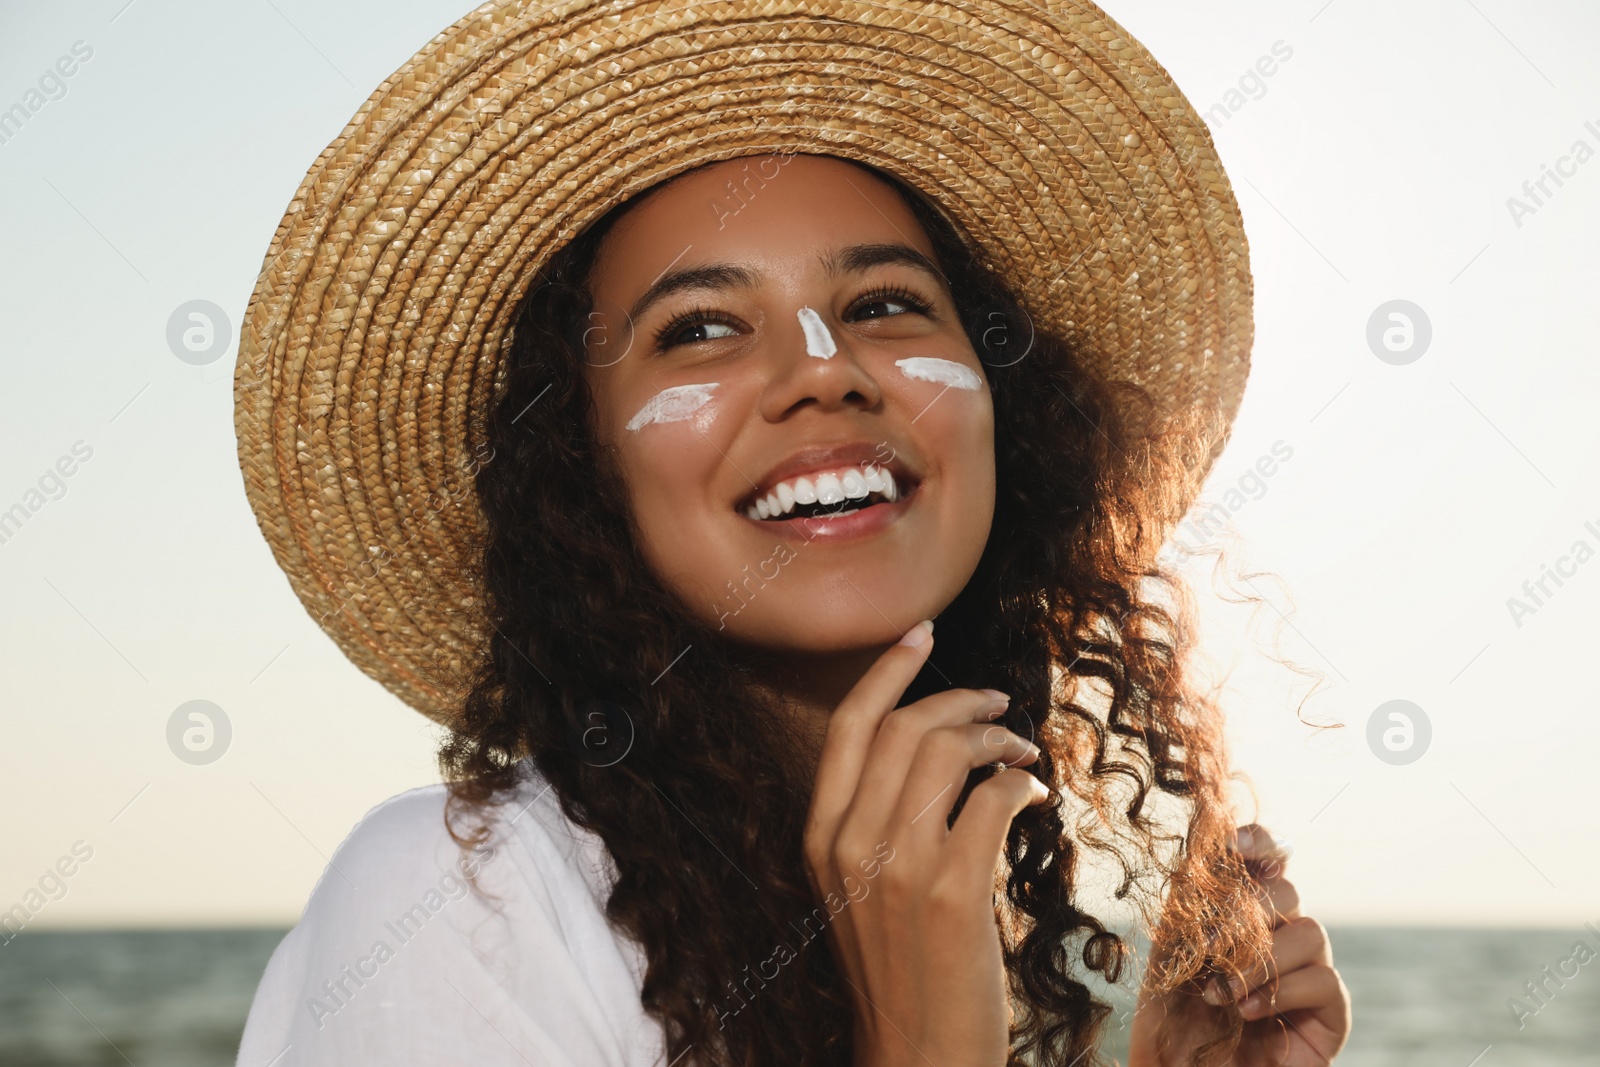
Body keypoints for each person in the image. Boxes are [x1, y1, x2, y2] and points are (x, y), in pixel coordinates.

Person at [231, 4, 1351, 1066]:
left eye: (882, 306)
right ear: (582, 470)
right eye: (701, 328)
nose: (824, 367)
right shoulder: (459, 895)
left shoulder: (956, 918)